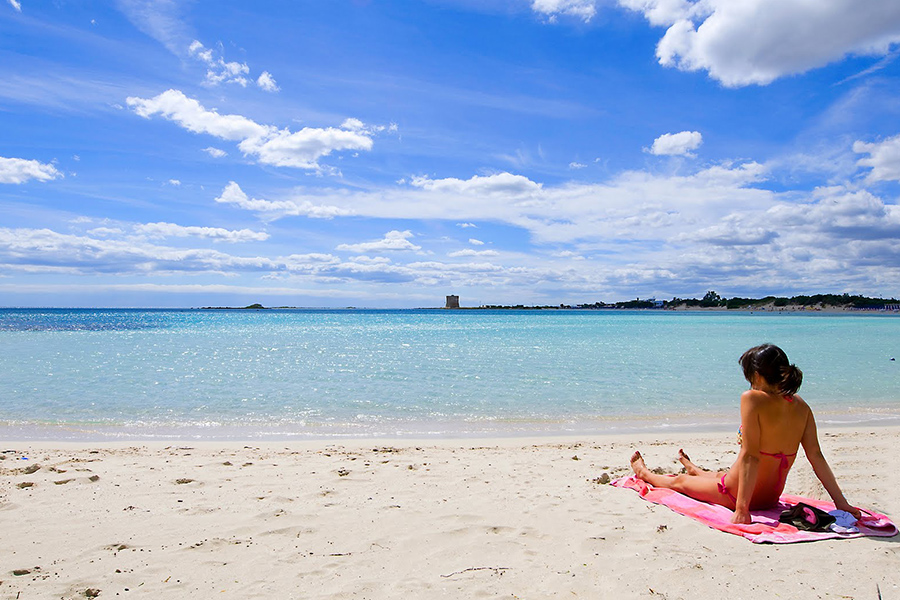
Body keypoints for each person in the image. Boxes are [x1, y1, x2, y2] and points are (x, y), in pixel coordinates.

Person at [629, 343, 860, 524]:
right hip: (771, 497)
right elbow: (816, 456)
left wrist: (741, 509)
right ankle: (696, 470)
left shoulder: (752, 399)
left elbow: (751, 456)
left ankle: (645, 474)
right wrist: (841, 503)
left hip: (736, 494)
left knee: (679, 482)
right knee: (719, 473)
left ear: (757, 376)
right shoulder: (801, 405)